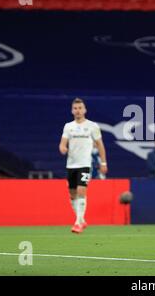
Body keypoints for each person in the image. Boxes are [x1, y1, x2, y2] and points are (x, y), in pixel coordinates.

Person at [59, 98, 108, 234]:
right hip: (71, 165)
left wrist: (103, 163)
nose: (78, 110)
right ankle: (81, 219)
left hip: (85, 164)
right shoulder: (68, 126)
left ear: (85, 110)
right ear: (72, 110)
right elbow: (63, 143)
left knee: (81, 191)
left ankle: (77, 223)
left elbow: (100, 145)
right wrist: (62, 147)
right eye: (75, 108)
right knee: (72, 194)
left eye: (80, 108)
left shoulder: (92, 126)